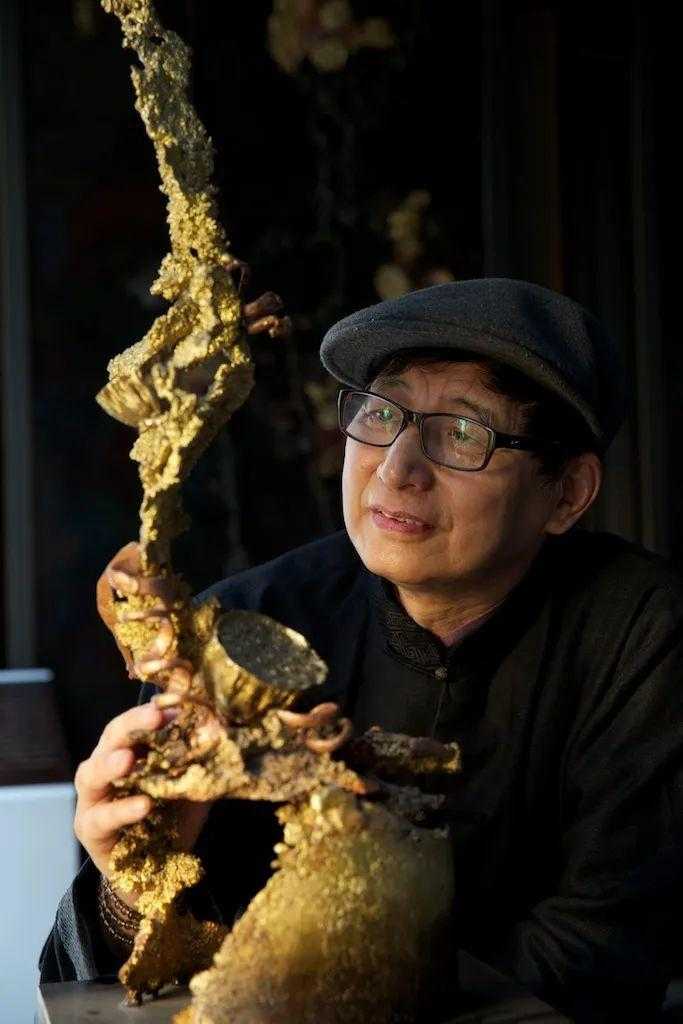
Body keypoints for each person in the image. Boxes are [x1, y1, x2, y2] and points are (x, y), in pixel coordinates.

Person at [40, 278, 683, 1022]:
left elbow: (604, 952)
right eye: (379, 414)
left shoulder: (638, 629)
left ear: (566, 493)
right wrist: (129, 889)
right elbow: (117, 975)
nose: (397, 468)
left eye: (462, 432)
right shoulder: (244, 628)